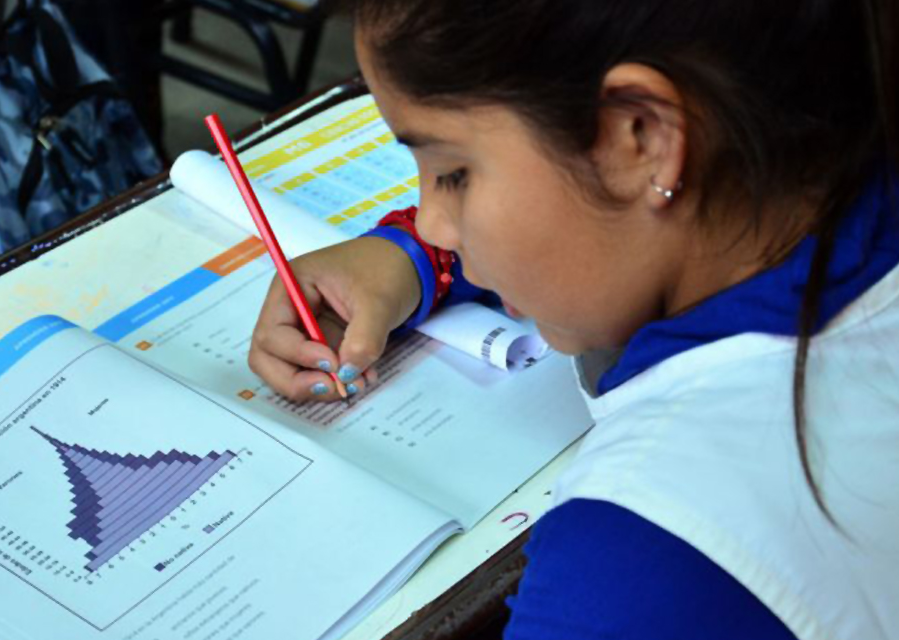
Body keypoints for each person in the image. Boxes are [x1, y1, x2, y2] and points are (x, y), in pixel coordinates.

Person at [248, 1, 899, 638]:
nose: (434, 223)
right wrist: (417, 259)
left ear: (640, 137)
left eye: (453, 173)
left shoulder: (635, 571)